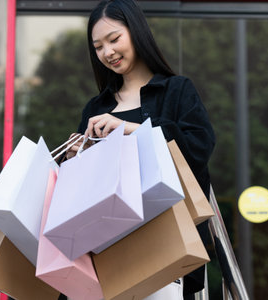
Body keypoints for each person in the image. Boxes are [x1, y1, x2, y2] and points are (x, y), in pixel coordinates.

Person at [65, 0, 215, 298]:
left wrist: (132, 130)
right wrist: (74, 158)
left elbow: (197, 151)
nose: (107, 52)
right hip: (105, 256)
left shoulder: (177, 90)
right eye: (97, 47)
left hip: (165, 251)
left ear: (137, 33)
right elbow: (83, 192)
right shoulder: (97, 107)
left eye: (114, 39)